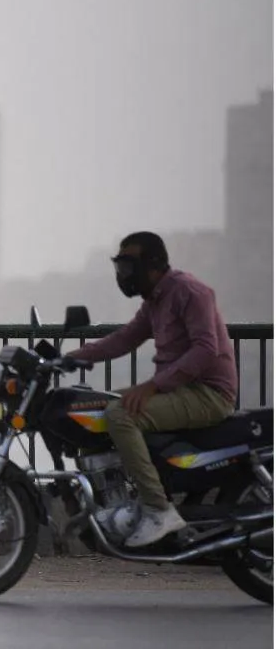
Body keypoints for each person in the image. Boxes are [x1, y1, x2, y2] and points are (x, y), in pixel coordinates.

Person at [67, 231, 238, 547]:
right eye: (120, 267)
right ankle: (113, 503)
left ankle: (158, 510)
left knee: (120, 415)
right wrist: (70, 358)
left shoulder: (190, 292)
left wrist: (152, 386)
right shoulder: (155, 301)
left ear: (154, 264)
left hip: (208, 393)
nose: (123, 275)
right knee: (92, 407)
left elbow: (205, 349)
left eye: (128, 266)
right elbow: (125, 338)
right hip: (178, 391)